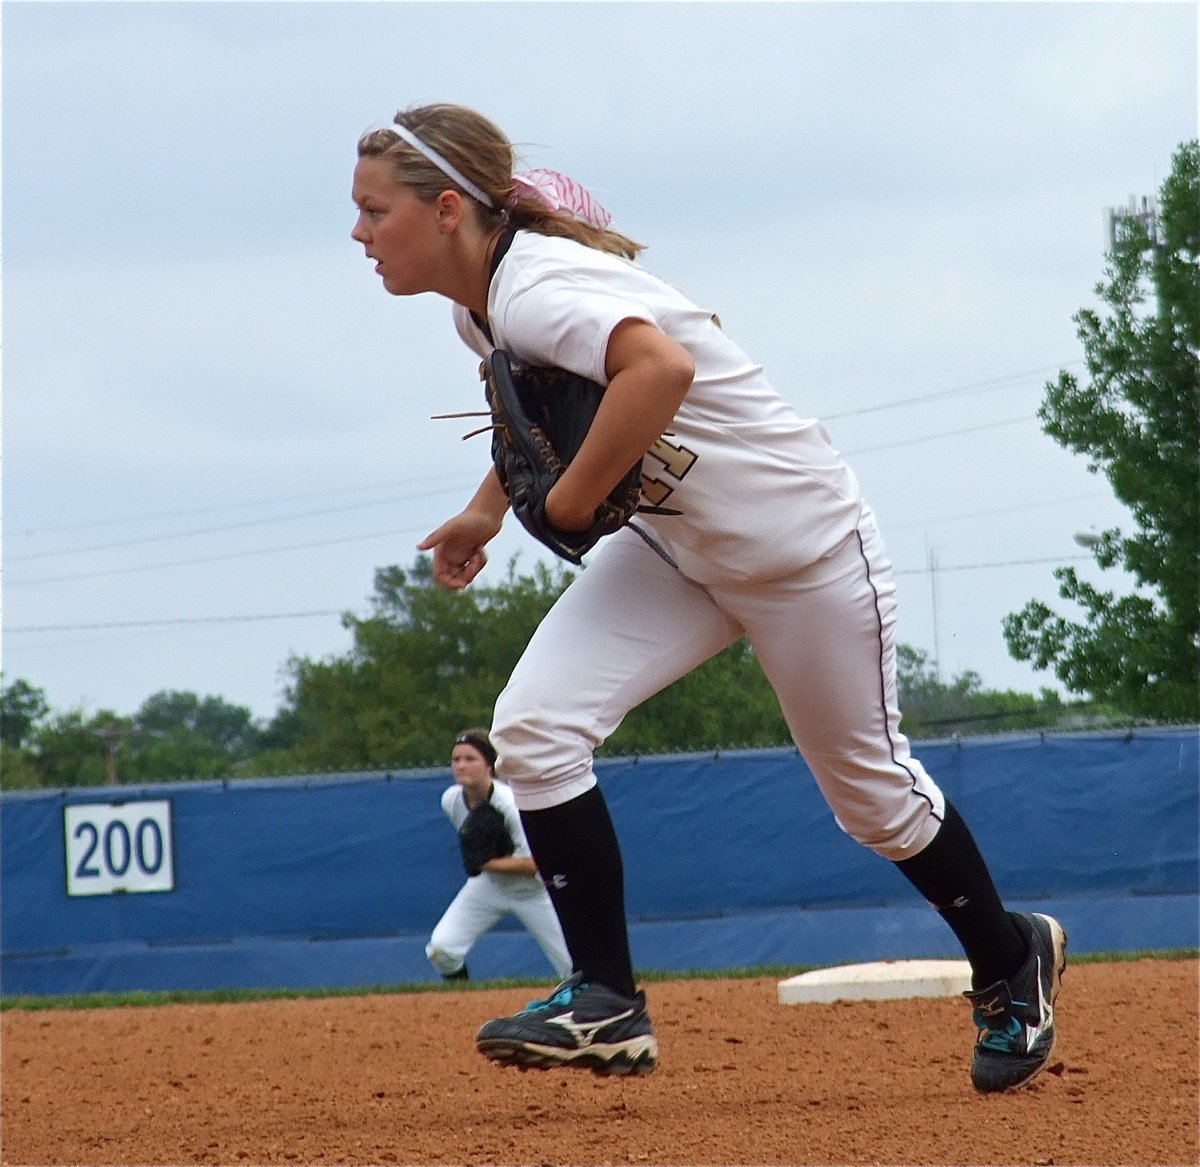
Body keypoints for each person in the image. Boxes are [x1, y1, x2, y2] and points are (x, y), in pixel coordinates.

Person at [351, 103, 1067, 1091]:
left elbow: (661, 369)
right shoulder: (485, 309)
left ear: (444, 211)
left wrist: (569, 498)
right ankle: (607, 1000)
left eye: (372, 210)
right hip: (680, 552)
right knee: (536, 727)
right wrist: (487, 508)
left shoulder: (537, 288)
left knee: (872, 800)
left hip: (798, 550)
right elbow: (534, 414)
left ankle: (1008, 956)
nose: (358, 233)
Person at [426, 729, 572, 984]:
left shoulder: (511, 805)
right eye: (456, 759)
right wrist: (486, 863)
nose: (461, 765)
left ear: (490, 766)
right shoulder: (451, 800)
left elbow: (535, 864)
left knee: (573, 968)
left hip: (533, 891)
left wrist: (486, 862)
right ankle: (461, 1001)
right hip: (489, 886)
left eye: (470, 759)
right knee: (442, 949)